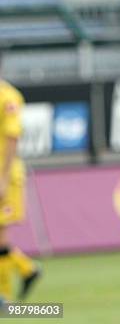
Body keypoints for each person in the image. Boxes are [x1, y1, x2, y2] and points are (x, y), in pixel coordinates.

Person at [0, 53, 40, 303]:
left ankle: (4, 295)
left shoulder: (8, 97)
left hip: (4, 175)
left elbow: (13, 137)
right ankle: (27, 269)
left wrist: (2, 177)